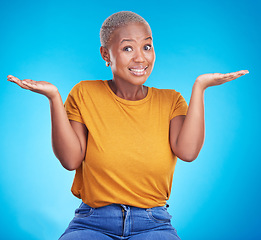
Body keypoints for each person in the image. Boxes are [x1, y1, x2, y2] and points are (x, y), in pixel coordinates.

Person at [7, 11, 248, 240]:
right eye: (127, 48)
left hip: (153, 222)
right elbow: (71, 160)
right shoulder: (84, 93)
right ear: (105, 54)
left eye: (147, 46)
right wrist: (54, 98)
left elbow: (187, 152)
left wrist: (200, 87)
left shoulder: (171, 100)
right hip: (92, 221)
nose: (140, 57)